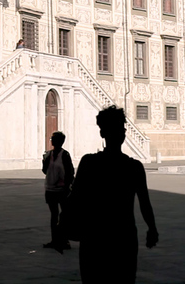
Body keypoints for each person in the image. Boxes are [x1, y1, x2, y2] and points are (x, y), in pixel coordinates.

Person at [67, 106, 158, 283]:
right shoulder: (134, 167)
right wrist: (152, 228)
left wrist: (65, 223)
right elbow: (144, 203)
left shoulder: (88, 163)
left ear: (102, 133)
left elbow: (74, 198)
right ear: (123, 134)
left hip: (94, 237)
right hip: (123, 237)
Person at [42, 131, 74, 252]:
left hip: (62, 190)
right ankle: (55, 240)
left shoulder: (65, 155)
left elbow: (70, 172)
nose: (52, 141)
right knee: (54, 215)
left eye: (54, 139)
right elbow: (45, 171)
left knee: (64, 216)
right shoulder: (48, 155)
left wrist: (68, 186)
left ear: (60, 141)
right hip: (50, 189)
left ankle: (64, 240)